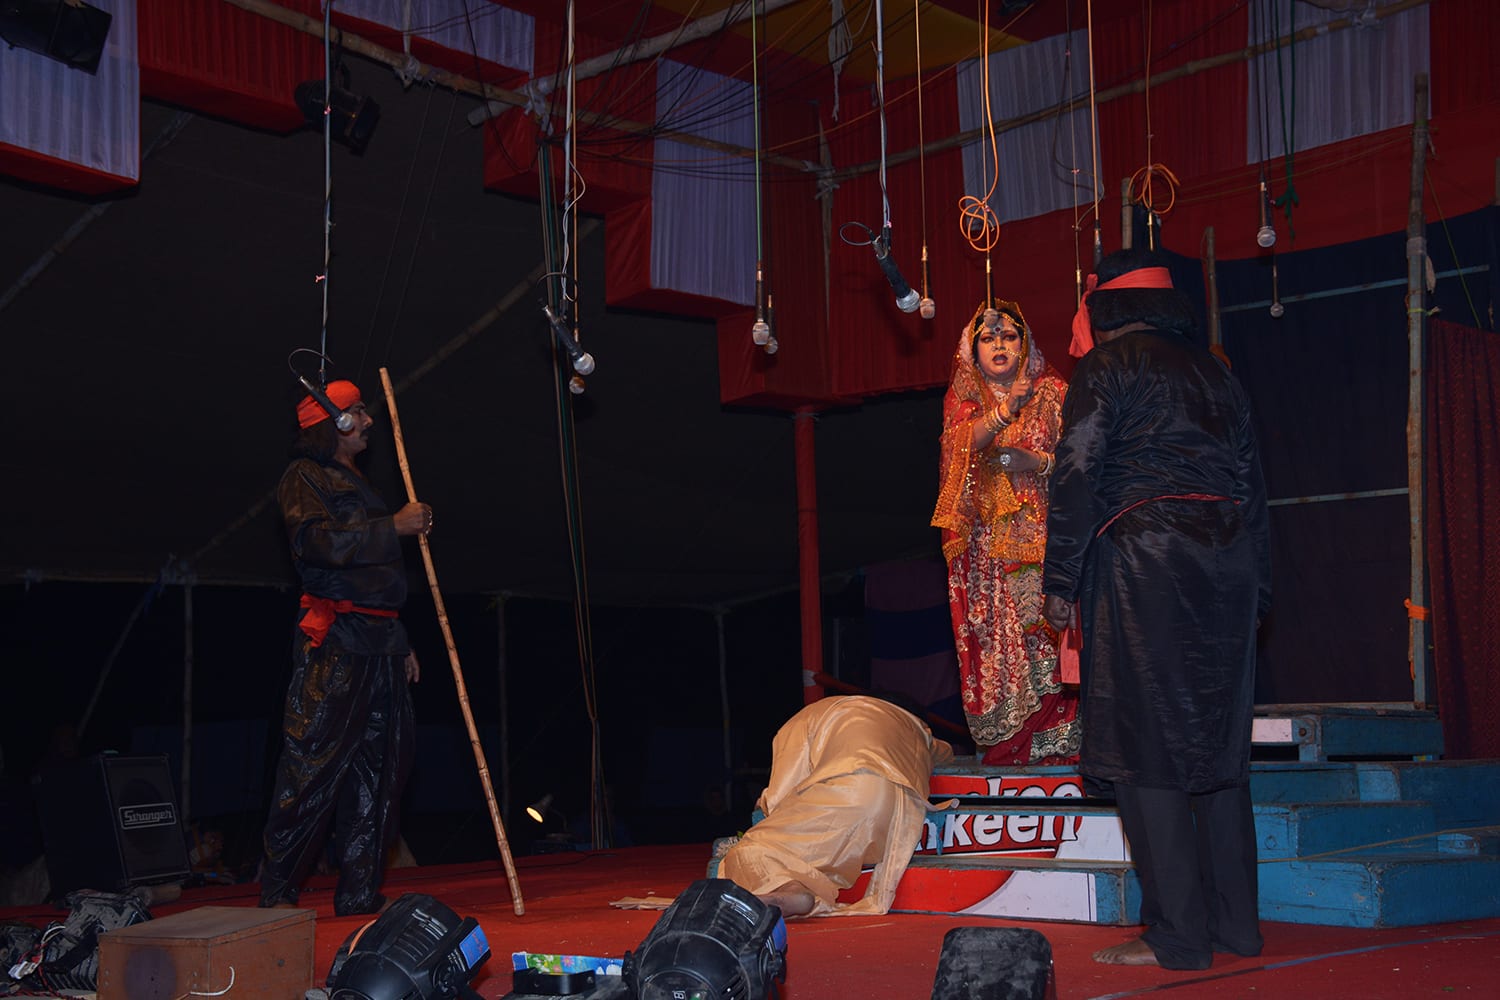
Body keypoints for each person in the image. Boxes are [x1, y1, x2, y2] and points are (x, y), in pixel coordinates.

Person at [1041, 249, 1272, 970]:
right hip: (1228, 560)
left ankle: (1177, 934)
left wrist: (1059, 577)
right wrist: (1260, 587)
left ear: (1106, 308)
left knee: (1147, 746)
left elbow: (1077, 470)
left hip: (1145, 556)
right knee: (1220, 749)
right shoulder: (1217, 372)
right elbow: (1253, 485)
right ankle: (1236, 927)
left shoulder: (1107, 367)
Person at [259, 379, 431, 916]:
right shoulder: (304, 477)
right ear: (334, 422)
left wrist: (399, 641)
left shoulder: (357, 481)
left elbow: (378, 580)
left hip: (380, 641)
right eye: (358, 411)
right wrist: (392, 526)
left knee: (382, 769)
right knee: (313, 764)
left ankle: (358, 892)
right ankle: (279, 890)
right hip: (336, 641)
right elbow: (315, 544)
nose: (368, 419)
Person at [931, 299, 1080, 765]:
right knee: (1000, 647)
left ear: (1025, 345)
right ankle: (1010, 754)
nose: (999, 344)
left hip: (1046, 541)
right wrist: (1004, 410)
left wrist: (1036, 461)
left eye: (1009, 336)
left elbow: (1082, 462)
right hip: (986, 554)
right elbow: (957, 448)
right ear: (972, 351)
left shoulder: (1053, 393)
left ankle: (1061, 751)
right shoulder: (965, 397)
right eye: (988, 338)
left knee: (1048, 634)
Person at [719, 694, 954, 918]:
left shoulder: (821, 711)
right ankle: (795, 890)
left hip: (849, 793)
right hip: (900, 825)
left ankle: (791, 891)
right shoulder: (921, 731)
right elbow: (948, 754)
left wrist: (765, 805)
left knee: (750, 850)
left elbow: (783, 790)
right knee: (815, 853)